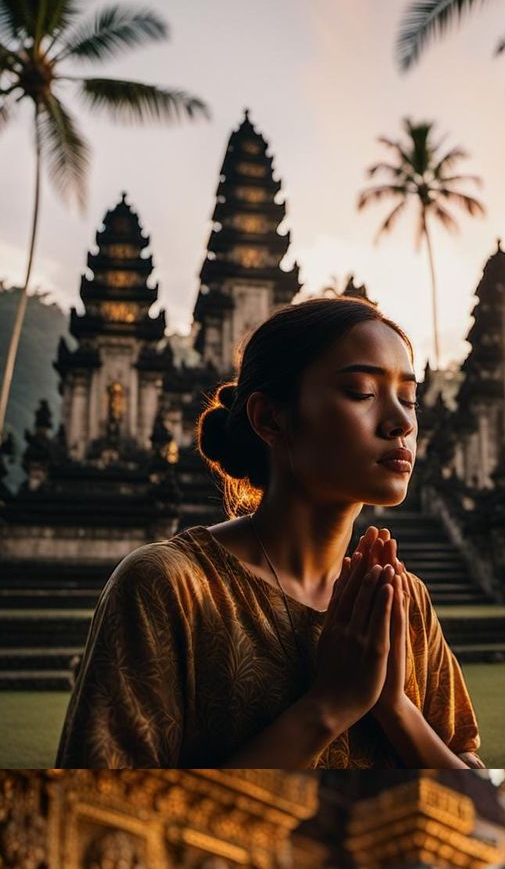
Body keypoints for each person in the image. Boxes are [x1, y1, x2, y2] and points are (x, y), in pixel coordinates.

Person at [55, 298, 483, 769]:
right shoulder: (169, 587)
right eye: (362, 392)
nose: (401, 423)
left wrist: (396, 709)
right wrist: (329, 706)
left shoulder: (401, 597)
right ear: (270, 419)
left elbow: (466, 777)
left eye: (409, 398)